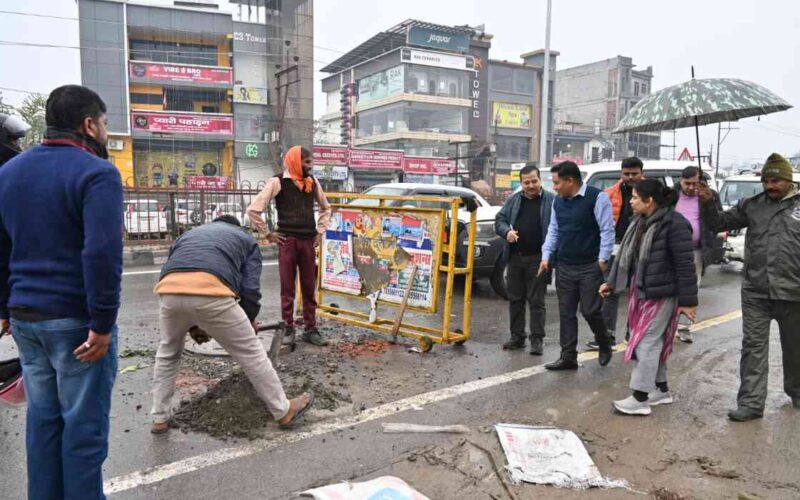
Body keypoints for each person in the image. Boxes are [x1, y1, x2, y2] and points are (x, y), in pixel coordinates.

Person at [0, 85, 123, 500]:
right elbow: (102, 253)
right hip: (76, 324)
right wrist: (103, 324)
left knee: (44, 423)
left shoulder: (10, 172)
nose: (105, 132)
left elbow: (3, 246)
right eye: (104, 124)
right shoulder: (97, 172)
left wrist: (4, 306)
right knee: (83, 431)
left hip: (25, 319)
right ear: (89, 124)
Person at [150, 216, 313, 433]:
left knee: (168, 353)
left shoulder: (189, 235)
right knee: (251, 352)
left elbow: (177, 272)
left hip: (168, 291)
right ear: (237, 227)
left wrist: (192, 324)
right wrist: (249, 318)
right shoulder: (245, 239)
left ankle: (160, 418)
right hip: (211, 292)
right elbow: (250, 289)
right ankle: (283, 411)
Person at [699, 153, 800, 421]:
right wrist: (708, 202)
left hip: (794, 292)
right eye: (766, 180)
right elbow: (719, 223)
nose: (770, 185)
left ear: (788, 180)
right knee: (753, 348)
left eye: (775, 180)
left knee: (795, 347)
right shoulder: (751, 205)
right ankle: (751, 404)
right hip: (756, 291)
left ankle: (797, 391)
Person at [601, 179, 698, 415]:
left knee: (646, 342)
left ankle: (640, 397)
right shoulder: (640, 222)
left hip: (662, 293)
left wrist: (687, 302)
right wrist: (612, 284)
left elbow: (685, 264)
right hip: (642, 290)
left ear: (649, 200)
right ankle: (661, 389)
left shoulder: (675, 225)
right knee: (654, 341)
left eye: (635, 197)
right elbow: (628, 258)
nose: (631, 201)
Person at [247, 146, 332, 346]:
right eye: (307, 162)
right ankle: (288, 327)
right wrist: (268, 233)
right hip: (287, 241)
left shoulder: (312, 182)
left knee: (309, 287)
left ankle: (311, 329)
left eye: (311, 162)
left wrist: (320, 232)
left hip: (308, 241)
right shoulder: (277, 181)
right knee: (287, 288)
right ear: (296, 161)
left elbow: (326, 208)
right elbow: (253, 210)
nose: (310, 167)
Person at [539, 161, 616, 370]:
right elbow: (553, 231)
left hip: (590, 265)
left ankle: (604, 342)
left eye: (556, 183)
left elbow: (607, 230)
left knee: (590, 311)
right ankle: (568, 356)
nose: (554, 187)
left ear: (570, 180)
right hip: (565, 265)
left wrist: (602, 260)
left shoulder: (596, 198)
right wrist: (546, 256)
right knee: (566, 312)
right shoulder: (558, 202)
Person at [494, 164, 556, 355]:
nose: (530, 185)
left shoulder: (551, 201)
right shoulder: (514, 200)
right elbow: (500, 220)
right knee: (515, 299)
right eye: (526, 182)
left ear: (540, 181)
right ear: (521, 183)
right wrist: (507, 232)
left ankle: (537, 339)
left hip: (538, 258)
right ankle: (517, 337)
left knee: (536, 301)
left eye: (534, 181)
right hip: (515, 257)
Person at [588, 156, 644, 351]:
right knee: (609, 291)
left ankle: (634, 334)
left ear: (641, 173)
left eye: (634, 174)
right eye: (626, 174)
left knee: (636, 292)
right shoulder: (610, 193)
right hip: (614, 247)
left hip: (640, 248)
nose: (630, 177)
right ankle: (607, 336)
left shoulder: (650, 193)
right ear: (621, 173)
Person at [673, 166, 723, 343]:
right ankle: (667, 324)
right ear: (680, 181)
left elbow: (717, 220)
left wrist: (707, 200)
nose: (691, 187)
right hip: (672, 249)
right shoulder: (671, 195)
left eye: (695, 183)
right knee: (670, 286)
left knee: (692, 286)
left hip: (696, 249)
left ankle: (684, 327)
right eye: (687, 183)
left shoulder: (708, 195)